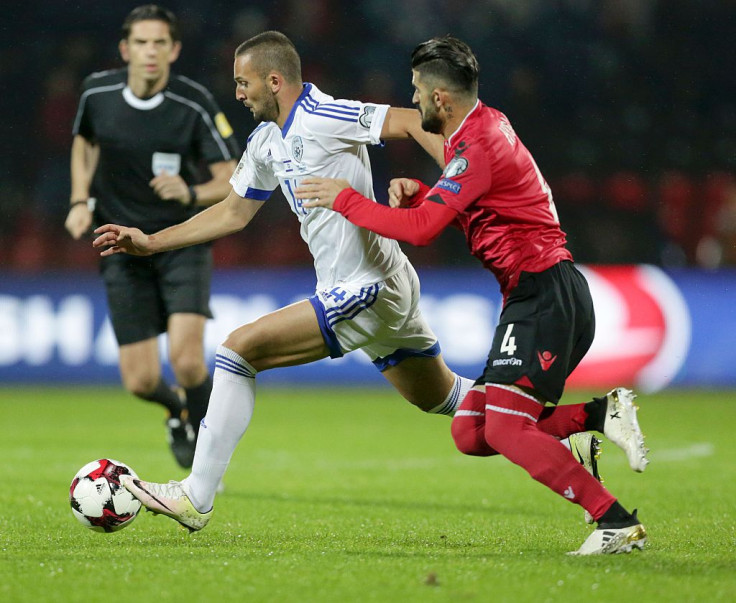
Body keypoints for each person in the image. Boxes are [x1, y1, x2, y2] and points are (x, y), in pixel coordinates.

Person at [94, 31, 604, 535]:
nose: (238, 93)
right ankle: (580, 426)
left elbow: (409, 121)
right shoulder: (266, 142)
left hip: (367, 285)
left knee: (237, 352)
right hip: (383, 285)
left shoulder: (323, 113)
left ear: (274, 80)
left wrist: (455, 175)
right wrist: (152, 243)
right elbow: (232, 212)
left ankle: (195, 496)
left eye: (243, 82)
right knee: (444, 400)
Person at [295, 36, 649, 555]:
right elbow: (482, 202)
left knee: (506, 430)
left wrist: (345, 199)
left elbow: (419, 232)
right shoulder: (483, 126)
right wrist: (428, 192)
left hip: (544, 293)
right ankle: (597, 416)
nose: (412, 101)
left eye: (416, 91)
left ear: (441, 98)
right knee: (471, 430)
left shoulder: (476, 144)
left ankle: (614, 521)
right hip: (539, 293)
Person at [65, 5, 240, 468]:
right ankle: (177, 410)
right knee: (141, 381)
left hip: (180, 240)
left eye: (159, 42)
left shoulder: (193, 101)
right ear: (125, 49)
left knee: (187, 362)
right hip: (120, 243)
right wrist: (79, 200)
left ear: (174, 49)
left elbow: (232, 178)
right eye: (141, 42)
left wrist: (190, 189)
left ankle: (207, 454)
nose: (150, 52)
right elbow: (84, 142)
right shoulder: (97, 93)